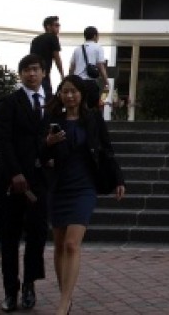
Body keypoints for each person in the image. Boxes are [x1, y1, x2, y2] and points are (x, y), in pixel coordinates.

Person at [43, 75, 125, 315]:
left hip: (84, 186)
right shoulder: (52, 119)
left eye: (74, 91)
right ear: (60, 94)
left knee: (71, 244)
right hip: (59, 185)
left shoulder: (93, 120)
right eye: (65, 91)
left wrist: (118, 178)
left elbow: (107, 150)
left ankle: (63, 303)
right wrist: (48, 142)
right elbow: (39, 152)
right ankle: (65, 297)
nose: (69, 96)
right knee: (59, 245)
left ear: (81, 94)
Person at [0, 54, 50, 312]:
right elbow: (3, 141)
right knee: (9, 238)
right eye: (26, 70)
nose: (31, 74)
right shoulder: (9, 102)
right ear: (20, 74)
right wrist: (15, 172)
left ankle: (29, 284)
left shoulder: (52, 105)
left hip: (39, 183)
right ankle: (9, 291)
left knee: (37, 237)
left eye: (36, 69)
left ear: (44, 73)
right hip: (10, 182)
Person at [67, 26, 108, 110]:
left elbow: (71, 68)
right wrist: (106, 81)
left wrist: (69, 80)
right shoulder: (98, 47)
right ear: (95, 36)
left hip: (77, 83)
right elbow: (100, 65)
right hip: (90, 83)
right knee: (92, 108)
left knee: (78, 108)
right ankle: (101, 102)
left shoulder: (77, 49)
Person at [29, 16, 64, 99]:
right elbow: (57, 57)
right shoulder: (53, 37)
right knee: (47, 98)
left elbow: (30, 58)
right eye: (56, 25)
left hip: (34, 73)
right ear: (48, 26)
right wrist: (62, 74)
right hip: (44, 74)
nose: (58, 28)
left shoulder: (35, 39)